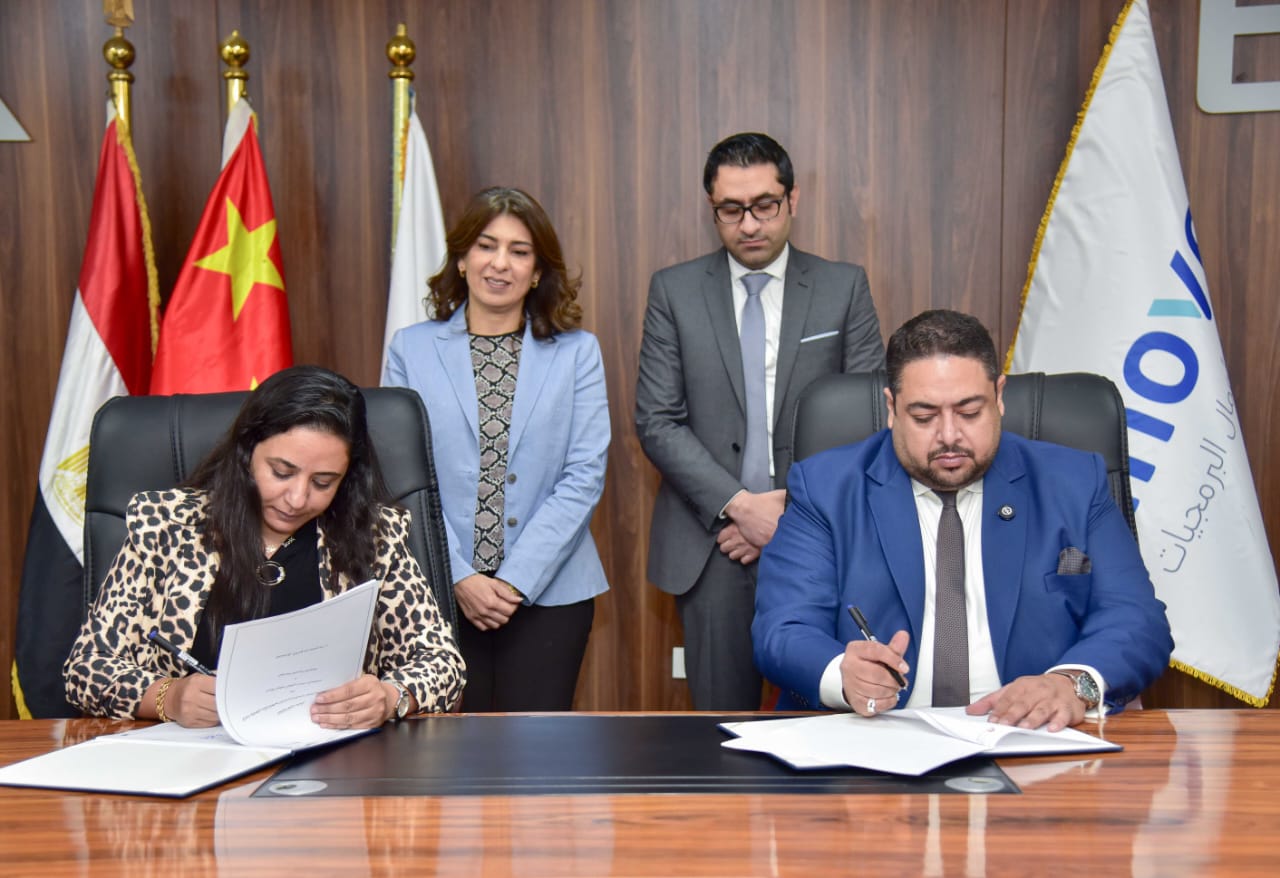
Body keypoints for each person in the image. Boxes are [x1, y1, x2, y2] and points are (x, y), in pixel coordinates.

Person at [753, 309, 1173, 730]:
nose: (949, 435)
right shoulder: (825, 488)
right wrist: (842, 674)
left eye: (970, 412)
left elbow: (1136, 618)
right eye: (924, 417)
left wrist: (1071, 683)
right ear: (891, 408)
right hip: (874, 740)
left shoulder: (1074, 482)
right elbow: (783, 627)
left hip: (1030, 737)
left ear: (999, 396)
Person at [64, 365, 466, 728]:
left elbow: (444, 663)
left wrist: (390, 697)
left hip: (330, 758)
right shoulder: (166, 526)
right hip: (194, 759)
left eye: (323, 482)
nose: (297, 498)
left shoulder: (375, 536)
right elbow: (86, 669)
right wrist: (168, 697)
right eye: (281, 472)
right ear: (246, 453)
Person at [635, 132, 885, 709]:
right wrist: (742, 508)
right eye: (731, 210)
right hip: (712, 543)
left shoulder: (843, 287)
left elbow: (865, 417)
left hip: (819, 535)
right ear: (712, 210)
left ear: (792, 199)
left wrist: (787, 513)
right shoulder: (674, 291)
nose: (749, 224)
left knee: (827, 713)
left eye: (764, 205)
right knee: (721, 725)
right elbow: (657, 419)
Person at [383, 186, 609, 712]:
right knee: (442, 752)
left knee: (534, 753)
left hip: (550, 595)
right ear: (462, 259)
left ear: (537, 270)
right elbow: (397, 476)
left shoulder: (578, 353)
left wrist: (514, 581)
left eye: (519, 251)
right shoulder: (411, 349)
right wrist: (460, 575)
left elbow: (584, 474)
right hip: (437, 591)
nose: (500, 263)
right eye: (486, 246)